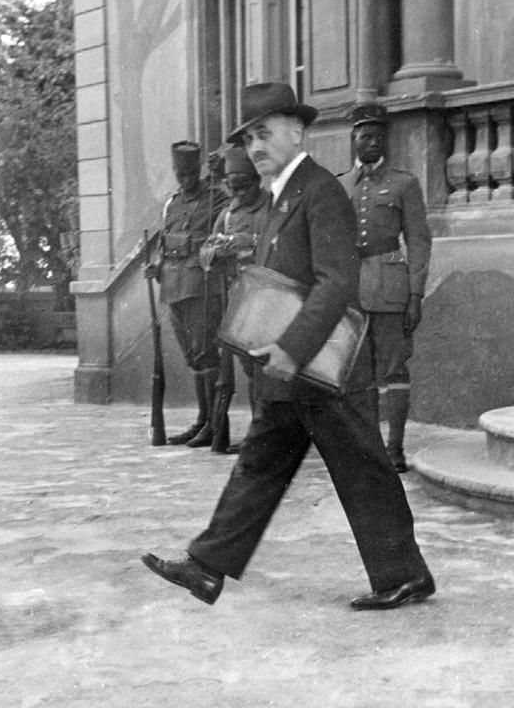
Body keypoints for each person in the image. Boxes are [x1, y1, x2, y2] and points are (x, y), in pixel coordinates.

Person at [141, 83, 435, 611]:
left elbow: (336, 281)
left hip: (324, 365)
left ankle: (406, 575)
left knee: (363, 469)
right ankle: (208, 568)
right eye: (250, 137)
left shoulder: (319, 190)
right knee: (260, 462)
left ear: (297, 132)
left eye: (265, 133)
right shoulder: (282, 192)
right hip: (295, 367)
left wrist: (292, 347)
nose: (255, 147)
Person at [338, 105, 432, 473]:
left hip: (392, 287)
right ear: (354, 140)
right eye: (365, 136)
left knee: (394, 369)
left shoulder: (404, 183)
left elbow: (419, 240)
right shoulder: (342, 184)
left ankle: (394, 448)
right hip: (352, 289)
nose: (372, 143)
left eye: (378, 137)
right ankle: (369, 447)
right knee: (358, 373)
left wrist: (416, 294)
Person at [145, 141, 229, 448]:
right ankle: (201, 419)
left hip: (200, 285)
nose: (187, 179)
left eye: (192, 173)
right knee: (192, 356)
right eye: (181, 174)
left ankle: (213, 424)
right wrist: (155, 266)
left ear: (200, 170)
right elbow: (165, 244)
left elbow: (222, 233)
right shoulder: (172, 203)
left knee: (206, 351)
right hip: (171, 286)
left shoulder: (216, 198)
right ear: (175, 172)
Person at [199, 146, 269, 443]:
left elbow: (283, 243)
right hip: (236, 298)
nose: (239, 192)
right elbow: (204, 253)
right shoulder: (227, 215)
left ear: (257, 180)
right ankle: (259, 429)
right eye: (234, 186)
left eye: (245, 185)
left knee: (264, 367)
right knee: (250, 369)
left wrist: (248, 241)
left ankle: (266, 432)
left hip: (267, 297)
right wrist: (216, 251)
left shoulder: (272, 207)